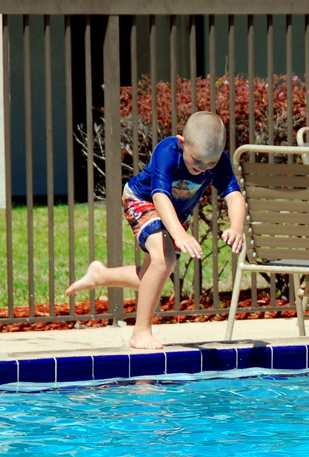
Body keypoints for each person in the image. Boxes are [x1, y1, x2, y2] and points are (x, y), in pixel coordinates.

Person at [64, 111, 247, 350]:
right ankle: (140, 332)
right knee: (164, 260)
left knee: (155, 272)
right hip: (142, 200)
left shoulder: (218, 161)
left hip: (174, 214)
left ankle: (100, 275)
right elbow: (159, 195)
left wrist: (236, 227)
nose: (203, 169)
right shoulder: (168, 151)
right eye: (197, 161)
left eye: (210, 163)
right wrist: (179, 234)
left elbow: (234, 195)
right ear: (182, 142)